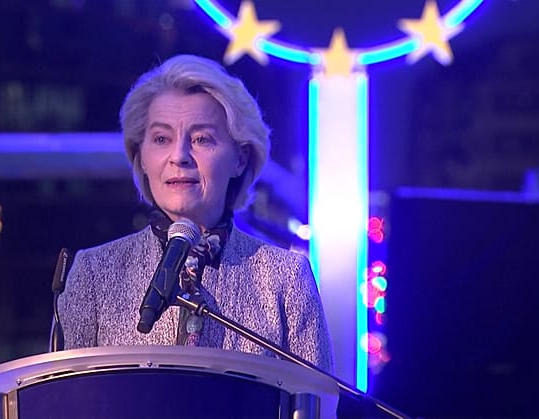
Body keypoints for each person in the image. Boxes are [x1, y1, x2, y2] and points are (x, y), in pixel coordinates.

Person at [57, 54, 333, 372]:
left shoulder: (286, 278)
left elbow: (317, 404)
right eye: (161, 139)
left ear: (240, 158)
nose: (179, 156)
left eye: (202, 139)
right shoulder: (93, 273)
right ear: (141, 156)